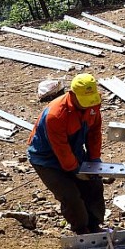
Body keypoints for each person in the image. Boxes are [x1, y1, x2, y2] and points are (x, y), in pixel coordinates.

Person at [27, 73, 106, 235]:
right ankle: (81, 230)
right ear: (71, 94)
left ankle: (95, 224)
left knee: (94, 185)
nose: (87, 106)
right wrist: (75, 170)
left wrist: (94, 160)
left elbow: (94, 133)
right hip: (47, 159)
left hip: (74, 151)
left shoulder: (92, 104)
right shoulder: (55, 115)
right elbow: (61, 148)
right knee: (70, 196)